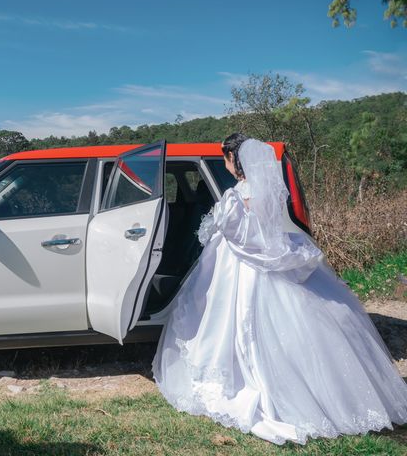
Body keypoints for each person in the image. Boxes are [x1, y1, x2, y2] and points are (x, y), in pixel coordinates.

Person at [151, 133, 407, 445]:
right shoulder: (268, 191)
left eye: (226, 158)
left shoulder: (236, 196)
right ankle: (329, 396)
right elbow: (268, 229)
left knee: (237, 327)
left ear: (235, 161)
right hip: (275, 259)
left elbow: (233, 233)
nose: (225, 163)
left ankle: (264, 390)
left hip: (241, 269)